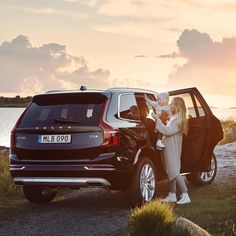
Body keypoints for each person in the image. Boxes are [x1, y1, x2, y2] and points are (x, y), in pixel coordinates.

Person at [152, 96, 191, 204]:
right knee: (170, 171)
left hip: (172, 148)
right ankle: (172, 194)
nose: (171, 105)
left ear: (178, 106)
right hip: (168, 147)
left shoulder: (178, 119)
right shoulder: (173, 118)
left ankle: (185, 194)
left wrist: (157, 119)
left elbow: (168, 131)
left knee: (175, 172)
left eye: (173, 103)